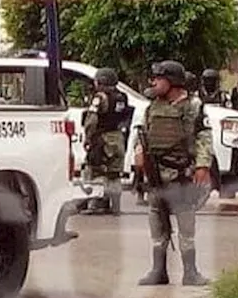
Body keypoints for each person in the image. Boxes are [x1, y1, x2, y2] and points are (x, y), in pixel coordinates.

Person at [135, 60, 213, 286]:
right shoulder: (152, 107)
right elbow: (142, 133)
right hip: (156, 176)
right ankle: (158, 271)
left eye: (159, 78)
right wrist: (138, 153)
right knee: (157, 227)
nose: (154, 82)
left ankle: (190, 272)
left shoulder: (193, 107)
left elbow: (204, 138)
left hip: (180, 176)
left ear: (173, 81)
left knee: (186, 227)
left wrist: (202, 166)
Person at [81, 68, 130, 214]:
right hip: (118, 139)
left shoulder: (99, 98)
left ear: (101, 81)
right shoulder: (122, 97)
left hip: (102, 139)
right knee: (114, 174)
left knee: (93, 170)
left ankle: (94, 205)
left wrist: (88, 137)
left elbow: (91, 120)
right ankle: (115, 207)